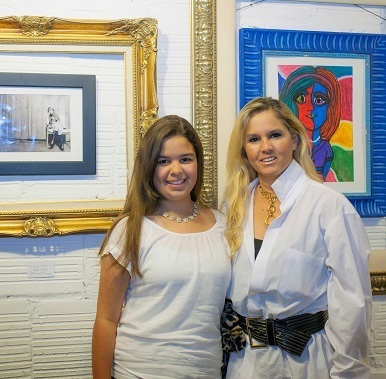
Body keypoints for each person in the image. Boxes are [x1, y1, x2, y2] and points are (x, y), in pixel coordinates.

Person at [220, 97, 372, 378]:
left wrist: (348, 372)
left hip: (307, 363)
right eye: (254, 138)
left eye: (275, 135)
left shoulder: (329, 206)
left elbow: (353, 304)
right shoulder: (233, 207)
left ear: (294, 140)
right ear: (243, 149)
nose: (265, 147)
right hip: (243, 363)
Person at [92, 115, 231, 378]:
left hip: (206, 370)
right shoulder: (130, 230)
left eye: (185, 159)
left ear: (198, 163)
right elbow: (106, 320)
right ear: (148, 168)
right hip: (138, 371)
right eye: (163, 161)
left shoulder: (223, 226)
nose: (175, 170)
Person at [279, 66, 341, 181]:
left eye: (319, 100)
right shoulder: (287, 145)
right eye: (301, 99)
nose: (310, 108)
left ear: (330, 107)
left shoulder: (326, 149)